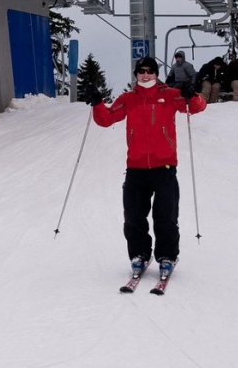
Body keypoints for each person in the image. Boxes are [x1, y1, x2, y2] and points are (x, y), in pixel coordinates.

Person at [79, 57, 206, 283]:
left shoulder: (169, 95)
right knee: (134, 217)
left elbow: (196, 107)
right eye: (141, 72)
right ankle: (139, 254)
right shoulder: (129, 98)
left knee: (165, 216)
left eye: (149, 71)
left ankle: (167, 256)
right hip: (136, 168)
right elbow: (107, 119)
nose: (145, 75)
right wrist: (98, 102)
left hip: (164, 167)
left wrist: (191, 93)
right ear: (136, 74)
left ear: (156, 73)